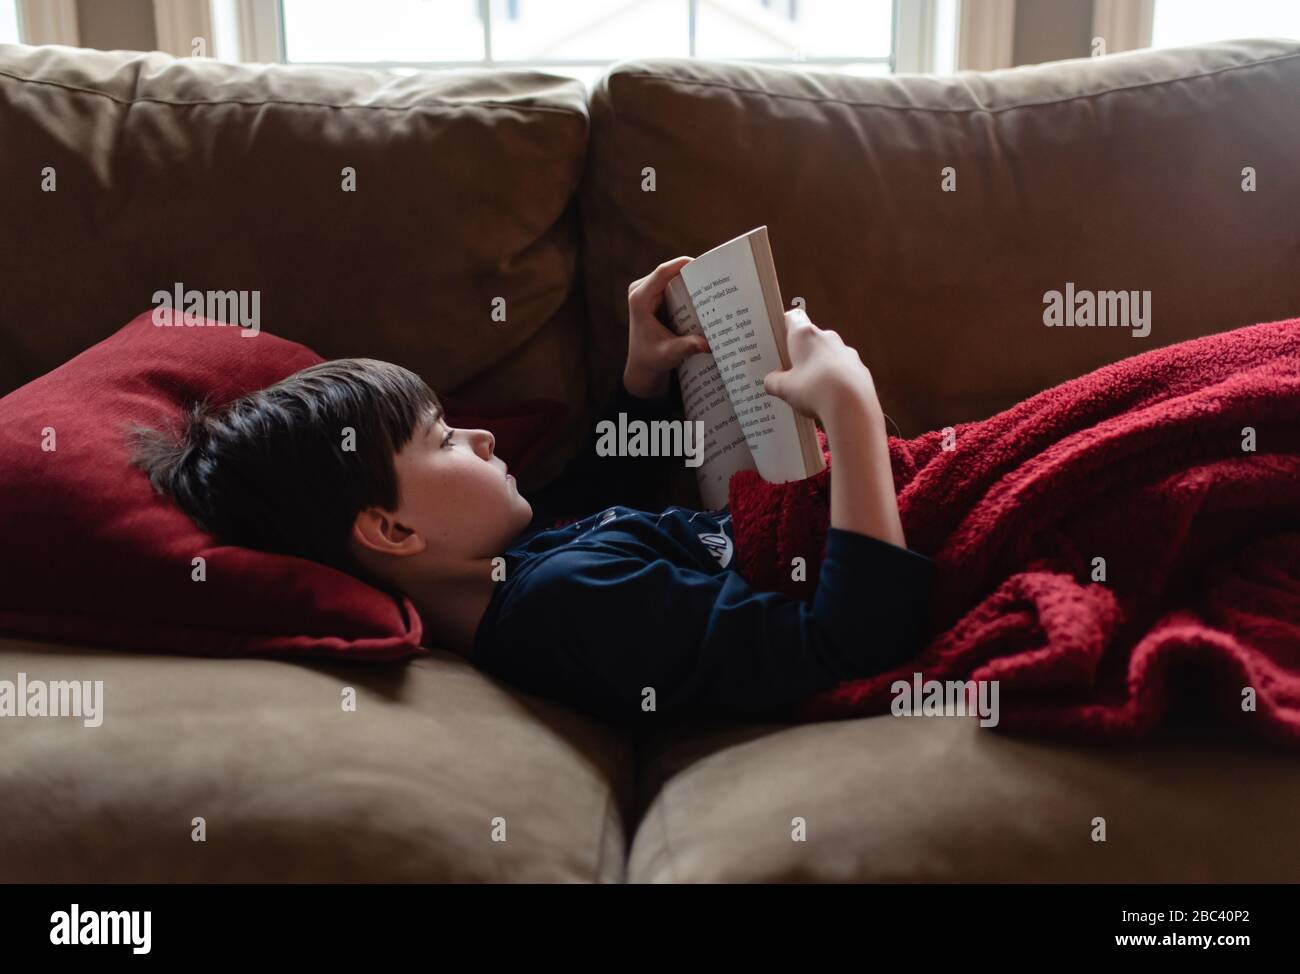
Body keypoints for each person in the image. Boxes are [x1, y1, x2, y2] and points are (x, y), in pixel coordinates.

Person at [132, 256, 935, 730]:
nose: (481, 440)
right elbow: (853, 645)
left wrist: (642, 376)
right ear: (392, 530)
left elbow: (598, 498)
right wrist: (852, 410)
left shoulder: (511, 567)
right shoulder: (567, 602)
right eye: (443, 440)